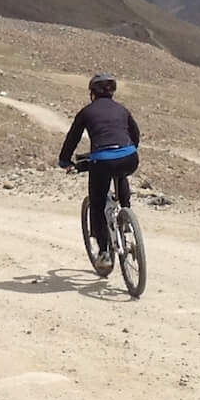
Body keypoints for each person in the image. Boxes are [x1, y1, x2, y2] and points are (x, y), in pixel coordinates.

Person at [58, 71, 139, 266]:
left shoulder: (86, 112)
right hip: (129, 157)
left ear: (92, 93)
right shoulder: (122, 110)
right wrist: (127, 148)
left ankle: (104, 252)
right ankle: (126, 214)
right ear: (112, 92)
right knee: (121, 174)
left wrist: (65, 161)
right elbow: (135, 134)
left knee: (97, 202)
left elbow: (72, 138)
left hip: (102, 161)